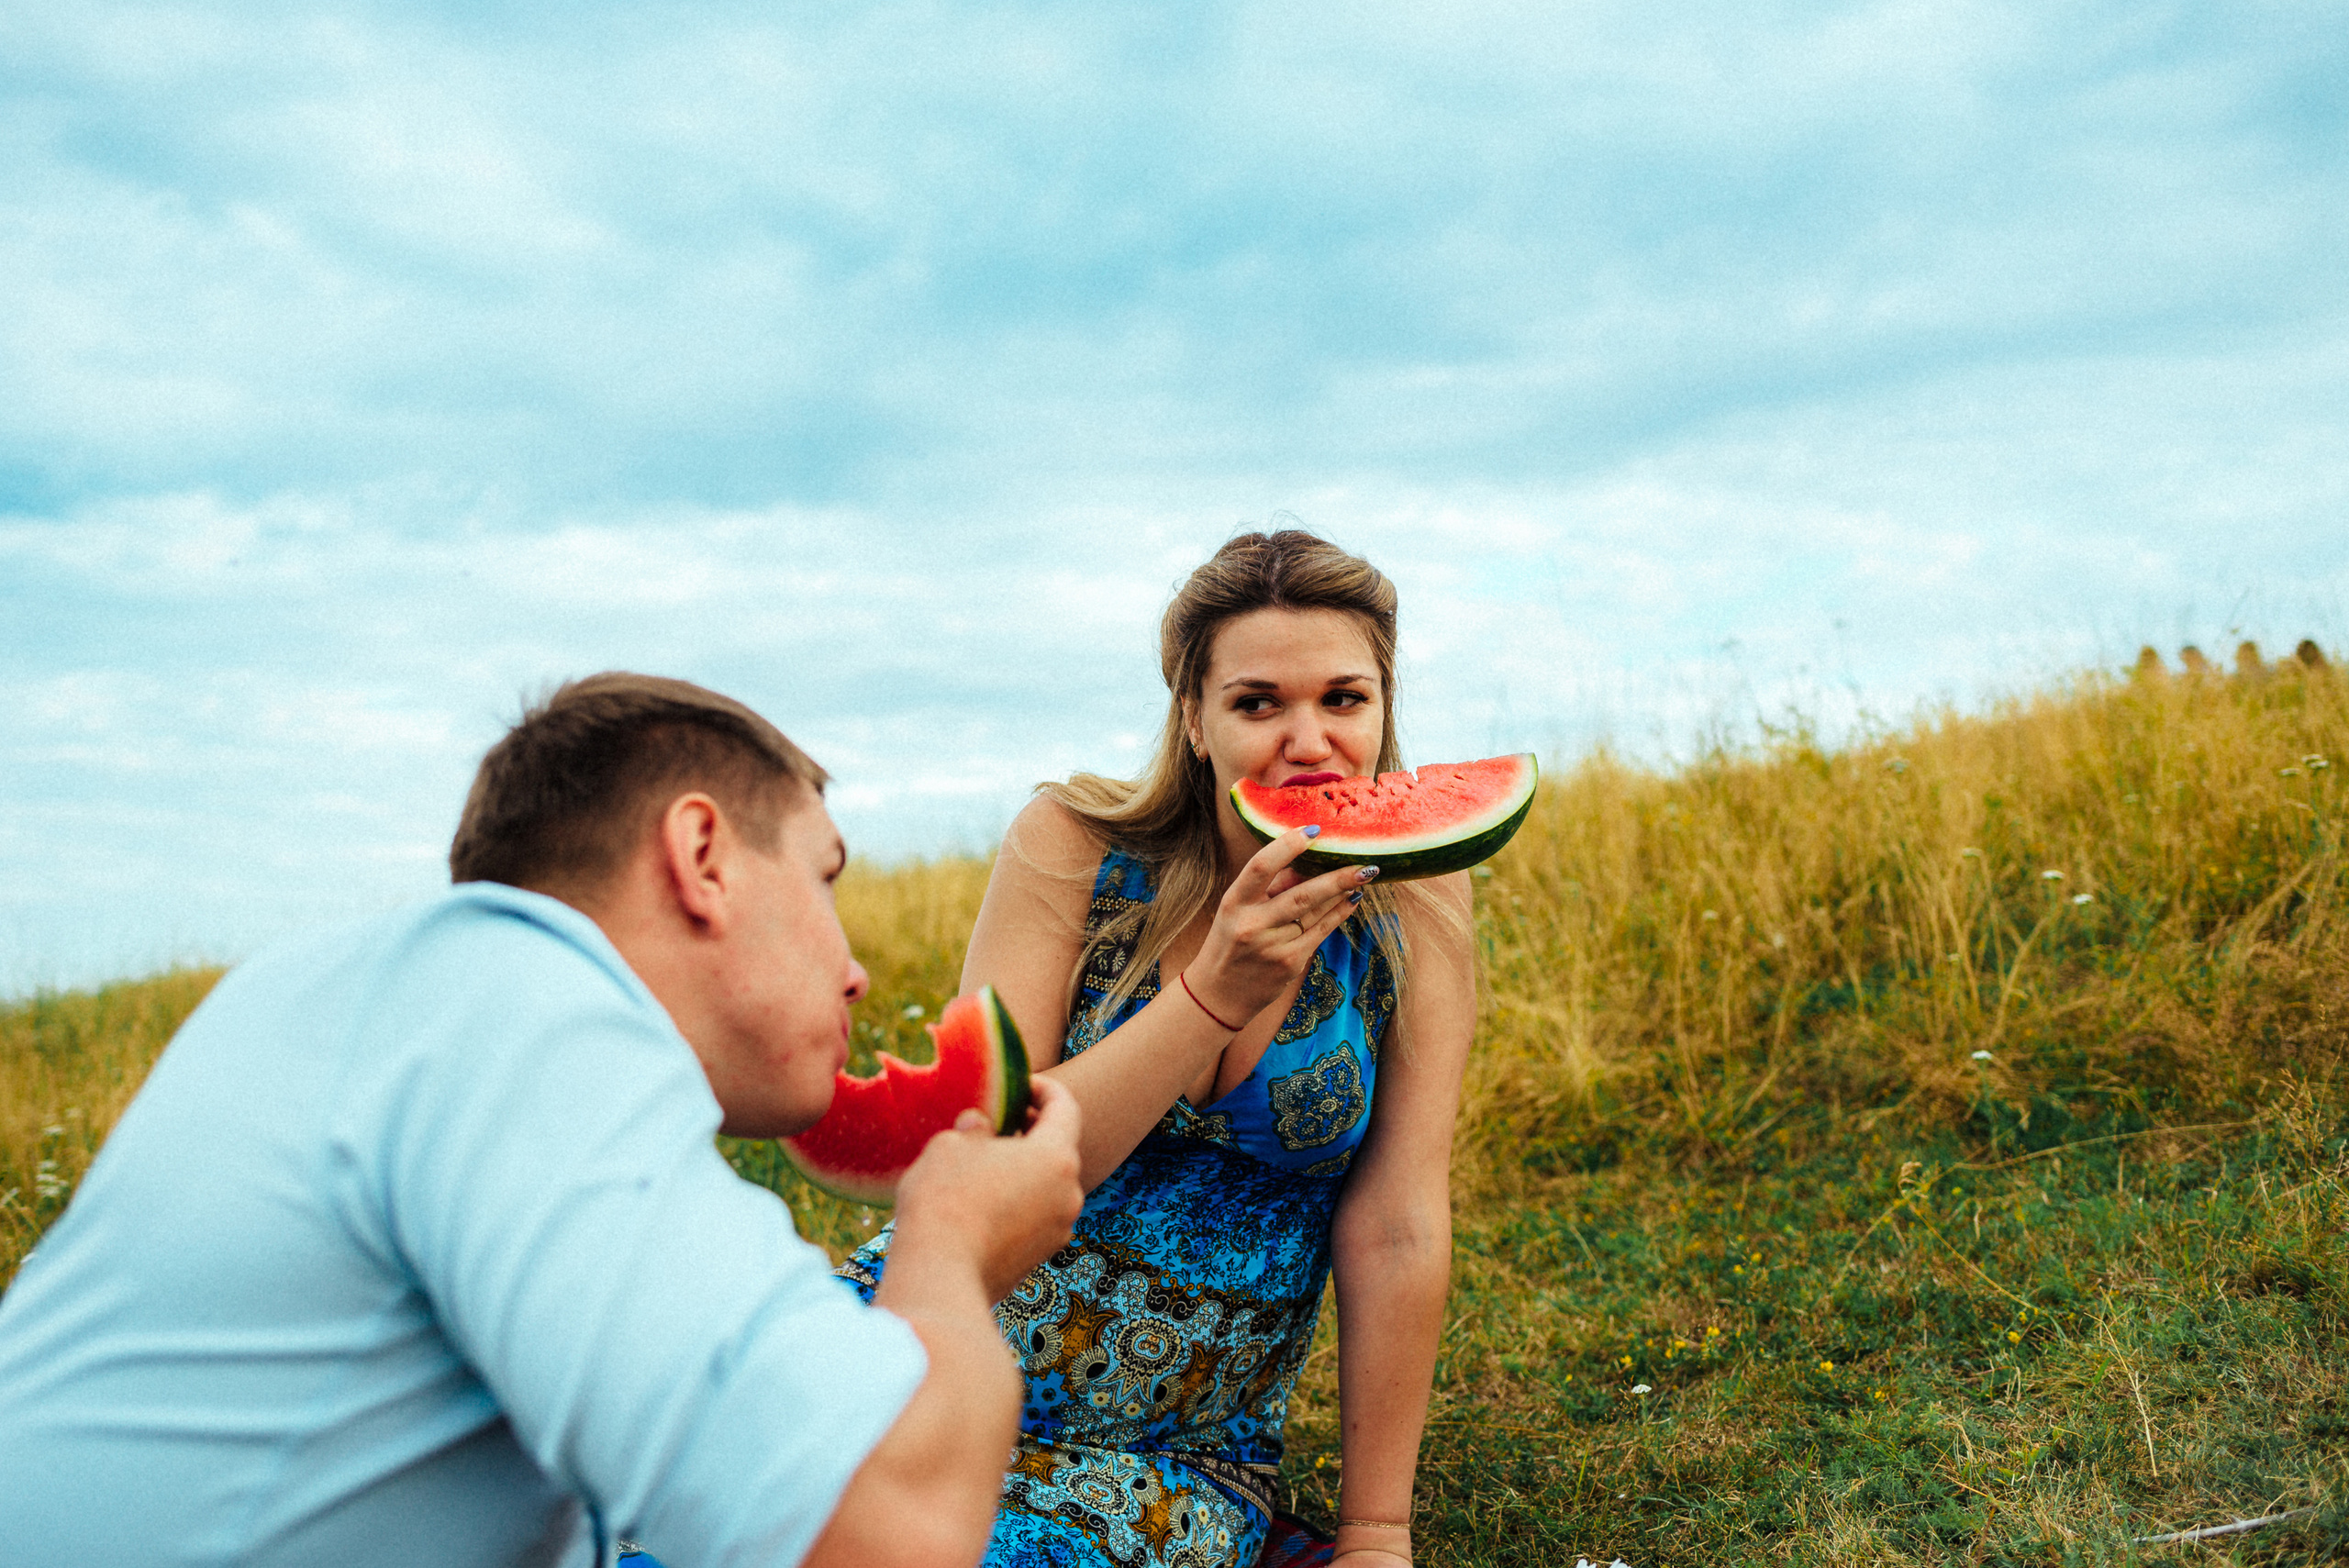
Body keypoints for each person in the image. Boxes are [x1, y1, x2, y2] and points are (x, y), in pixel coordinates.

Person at [0, 673, 1085, 1568]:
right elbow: (883, 1532)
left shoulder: (335, 993)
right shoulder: (518, 1005)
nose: (853, 969)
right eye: (824, 875)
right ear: (703, 856)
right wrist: (948, 1239)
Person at [838, 531, 1478, 1567]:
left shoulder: (1419, 898)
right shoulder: (1072, 847)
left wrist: (1375, 1535)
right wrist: (1212, 994)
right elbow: (988, 1167)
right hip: (921, 1367)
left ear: (1384, 705)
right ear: (1194, 717)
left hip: (1170, 1452)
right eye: (1257, 701)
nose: (1307, 740)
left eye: (1345, 699)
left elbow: (1398, 1217)